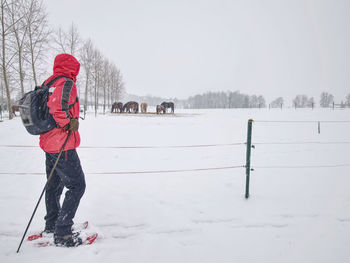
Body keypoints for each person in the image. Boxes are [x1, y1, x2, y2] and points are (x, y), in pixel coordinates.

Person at [39, 53, 85, 247]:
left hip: (48, 142)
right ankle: (63, 232)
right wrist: (69, 123)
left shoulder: (49, 82)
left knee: (54, 184)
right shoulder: (67, 83)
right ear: (71, 67)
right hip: (62, 144)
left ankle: (52, 224)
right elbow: (57, 108)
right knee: (77, 186)